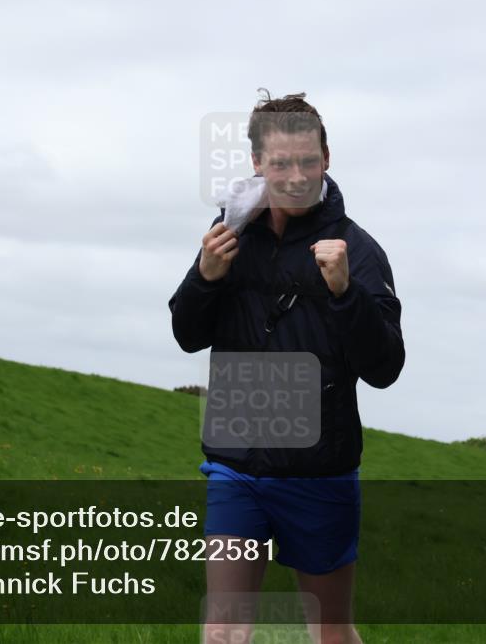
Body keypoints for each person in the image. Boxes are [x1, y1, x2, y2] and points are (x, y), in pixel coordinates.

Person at [168, 91, 405, 644]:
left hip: (319, 471)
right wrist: (205, 277)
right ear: (256, 163)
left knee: (329, 630)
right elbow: (186, 334)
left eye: (307, 161)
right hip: (235, 466)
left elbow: (386, 367)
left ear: (326, 158)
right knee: (224, 628)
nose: (296, 177)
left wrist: (345, 293)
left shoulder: (358, 250)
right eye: (280, 164)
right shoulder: (228, 236)